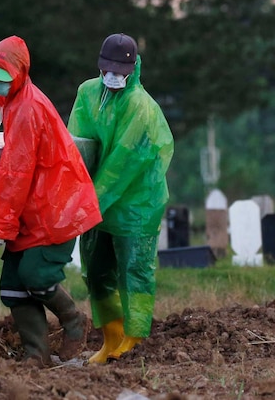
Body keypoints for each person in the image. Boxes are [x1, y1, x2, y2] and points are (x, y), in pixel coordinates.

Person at [0, 35, 102, 367]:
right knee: (13, 288)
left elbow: (16, 172)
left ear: (19, 75)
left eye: (4, 79)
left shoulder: (27, 108)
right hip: (35, 211)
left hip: (55, 210)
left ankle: (73, 320)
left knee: (36, 275)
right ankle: (37, 355)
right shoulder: (15, 104)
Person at [67, 33, 174, 364]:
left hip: (135, 202)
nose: (113, 75)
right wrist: (73, 191)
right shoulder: (88, 93)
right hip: (96, 198)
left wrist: (86, 204)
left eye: (120, 69)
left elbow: (121, 166)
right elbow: (78, 145)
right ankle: (111, 337)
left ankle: (135, 337)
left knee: (134, 270)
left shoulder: (140, 107)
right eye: (107, 68)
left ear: (133, 68)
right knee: (96, 270)